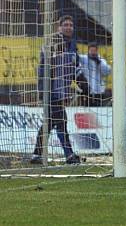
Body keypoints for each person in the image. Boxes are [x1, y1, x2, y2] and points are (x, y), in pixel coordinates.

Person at [31, 15, 82, 165]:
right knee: (60, 121)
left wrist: (81, 81)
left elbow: (73, 66)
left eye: (71, 25)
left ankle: (37, 154)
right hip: (51, 90)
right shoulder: (54, 42)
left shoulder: (72, 44)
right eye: (65, 24)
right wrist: (43, 90)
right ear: (59, 27)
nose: (68, 27)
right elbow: (48, 68)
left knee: (51, 122)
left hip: (61, 91)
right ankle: (69, 155)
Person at [79, 42, 111, 107]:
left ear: (97, 51)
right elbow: (75, 57)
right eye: (91, 50)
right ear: (88, 50)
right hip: (86, 91)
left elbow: (107, 71)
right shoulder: (83, 59)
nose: (93, 52)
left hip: (99, 91)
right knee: (86, 110)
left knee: (99, 110)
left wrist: (99, 63)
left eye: (94, 51)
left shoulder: (101, 60)